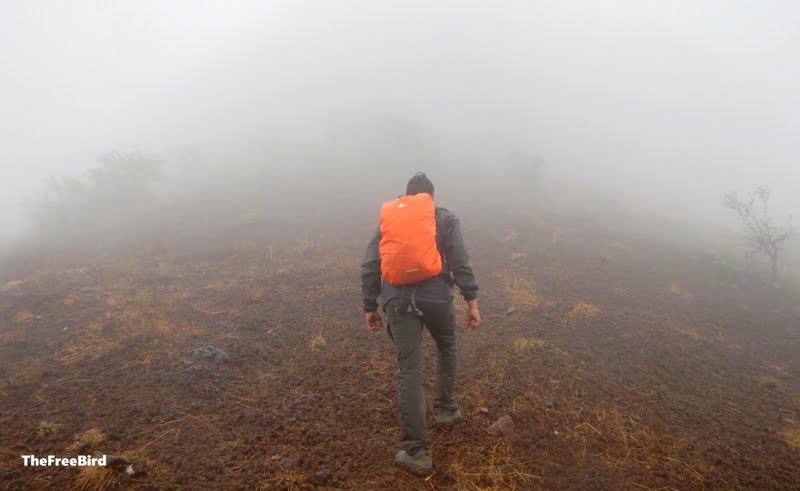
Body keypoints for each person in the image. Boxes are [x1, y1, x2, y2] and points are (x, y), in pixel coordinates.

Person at [360, 172, 481, 475]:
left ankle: (417, 452)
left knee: (409, 369)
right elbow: (459, 260)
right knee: (447, 345)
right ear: (431, 197)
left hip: (397, 301)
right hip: (437, 297)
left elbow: (371, 264)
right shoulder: (444, 218)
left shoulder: (390, 220)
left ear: (406, 196)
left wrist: (370, 306)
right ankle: (446, 409)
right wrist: (471, 300)